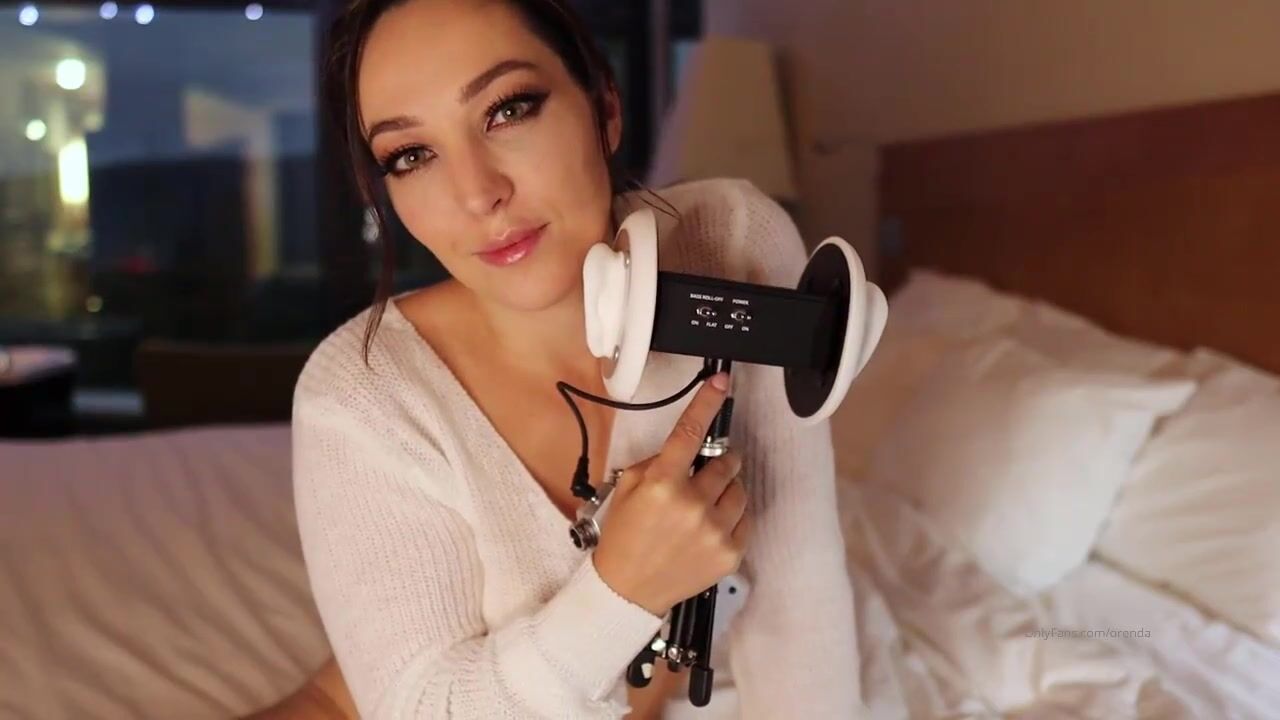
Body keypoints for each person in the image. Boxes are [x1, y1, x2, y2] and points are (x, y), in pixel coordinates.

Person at [287, 0, 864, 717]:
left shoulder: (731, 244)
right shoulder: (361, 394)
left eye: (508, 110)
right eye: (411, 155)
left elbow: (798, 596)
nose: (478, 194)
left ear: (605, 108)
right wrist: (621, 591)